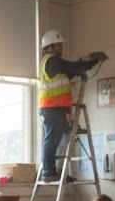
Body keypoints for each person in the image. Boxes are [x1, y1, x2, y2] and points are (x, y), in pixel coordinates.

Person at [38, 30, 107, 182]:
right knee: (52, 140)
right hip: (51, 107)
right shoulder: (52, 61)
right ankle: (48, 172)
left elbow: (70, 71)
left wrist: (84, 64)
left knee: (59, 140)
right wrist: (91, 61)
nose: (61, 47)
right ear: (49, 47)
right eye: (58, 45)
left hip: (58, 108)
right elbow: (73, 67)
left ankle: (56, 171)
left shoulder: (55, 64)